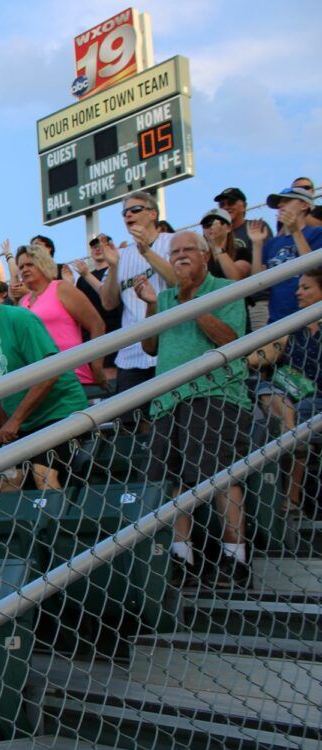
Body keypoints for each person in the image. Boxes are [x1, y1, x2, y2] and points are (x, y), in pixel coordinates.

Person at [137, 231, 251, 588]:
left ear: (205, 256)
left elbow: (229, 339)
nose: (181, 256)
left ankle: (236, 560)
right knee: (173, 481)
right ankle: (182, 557)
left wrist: (190, 298)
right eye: (175, 252)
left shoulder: (224, 288)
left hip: (215, 394)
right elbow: (150, 346)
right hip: (168, 398)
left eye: (189, 250)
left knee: (220, 478)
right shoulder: (166, 296)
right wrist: (153, 306)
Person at [0, 273, 88, 489]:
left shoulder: (19, 318)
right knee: (8, 480)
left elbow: (50, 372)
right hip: (25, 423)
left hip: (59, 413)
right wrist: (5, 435)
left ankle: (57, 523)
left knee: (43, 474)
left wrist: (15, 421)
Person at [248, 266, 322, 510]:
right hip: (287, 398)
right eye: (298, 287)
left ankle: (292, 493)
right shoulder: (293, 328)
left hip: (318, 398)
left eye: (305, 287)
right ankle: (293, 437)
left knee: (298, 411)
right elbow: (256, 358)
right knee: (265, 389)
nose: (298, 293)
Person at [100, 190, 176, 402]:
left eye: (135, 210)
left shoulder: (173, 242)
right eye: (124, 213)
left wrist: (147, 252)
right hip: (131, 354)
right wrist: (114, 267)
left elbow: (179, 283)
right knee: (136, 425)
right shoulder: (121, 255)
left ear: (153, 214)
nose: (128, 216)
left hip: (169, 346)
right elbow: (108, 303)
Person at [16, 244, 109, 388]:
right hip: (38, 384)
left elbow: (97, 324)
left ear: (43, 263)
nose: (25, 270)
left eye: (30, 264)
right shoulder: (22, 302)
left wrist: (97, 367)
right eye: (21, 267)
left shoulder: (61, 288)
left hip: (73, 377)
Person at [251, 186, 322, 326]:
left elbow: (315, 270)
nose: (280, 205)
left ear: (305, 205)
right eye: (279, 202)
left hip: (310, 317)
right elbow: (258, 284)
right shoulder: (272, 243)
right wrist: (257, 245)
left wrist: (296, 231)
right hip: (276, 319)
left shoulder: (317, 233)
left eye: (287, 201)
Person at [200, 208, 252, 281]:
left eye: (219, 223)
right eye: (207, 224)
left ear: (229, 228)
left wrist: (217, 246)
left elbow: (236, 278)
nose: (212, 227)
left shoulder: (241, 252)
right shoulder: (200, 258)